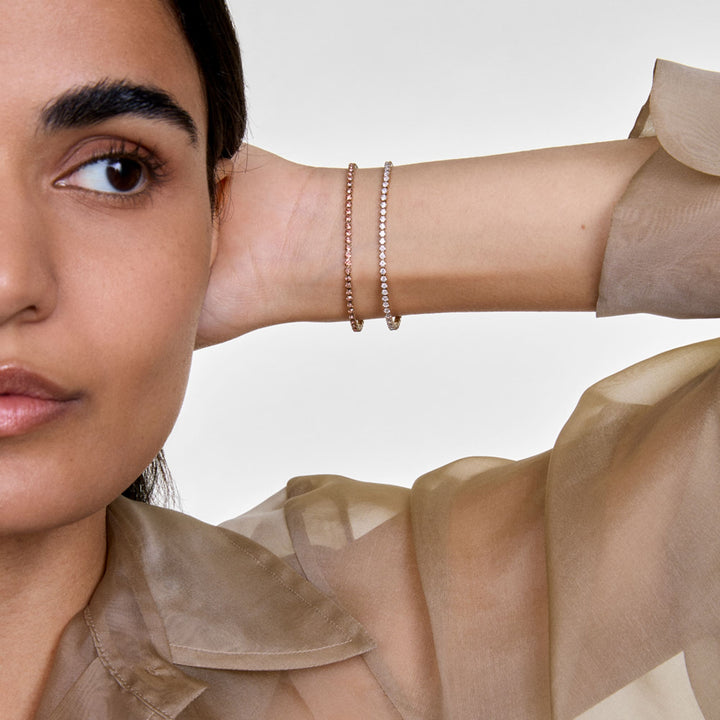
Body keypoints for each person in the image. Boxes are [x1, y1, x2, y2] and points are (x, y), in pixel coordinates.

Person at [2, 0, 719, 718]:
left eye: (117, 172)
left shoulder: (403, 656)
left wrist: (323, 228)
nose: (10, 282)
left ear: (214, 214)